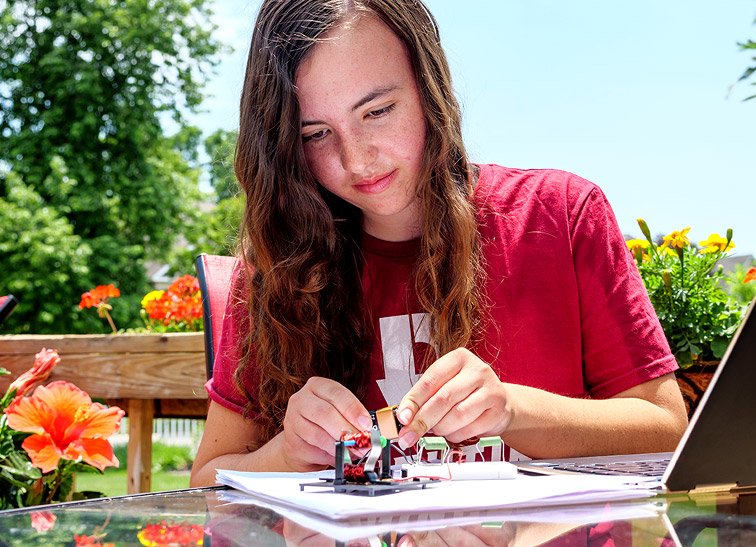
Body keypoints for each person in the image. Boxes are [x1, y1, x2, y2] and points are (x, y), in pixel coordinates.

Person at [190, 0, 687, 487]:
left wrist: (515, 410)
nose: (357, 160)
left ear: (431, 87)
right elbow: (205, 479)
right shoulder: (279, 270)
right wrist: (284, 453)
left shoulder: (559, 213)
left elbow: (666, 430)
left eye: (379, 111)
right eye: (316, 134)